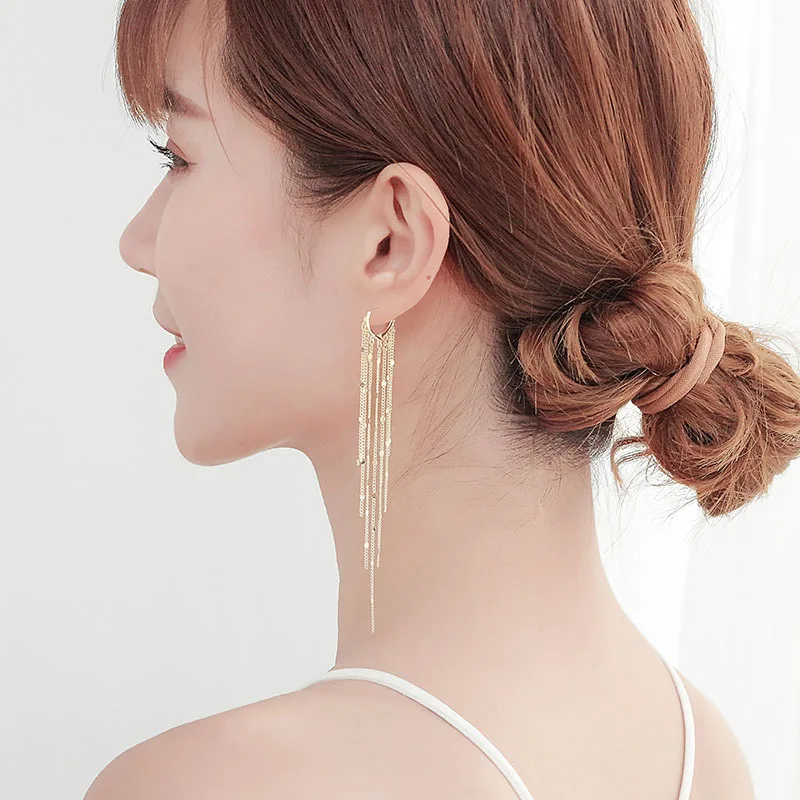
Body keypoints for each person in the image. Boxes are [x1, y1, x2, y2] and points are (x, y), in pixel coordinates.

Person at [87, 0, 800, 797]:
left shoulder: (215, 785)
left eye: (178, 156)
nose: (136, 242)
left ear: (391, 242)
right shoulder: (704, 756)